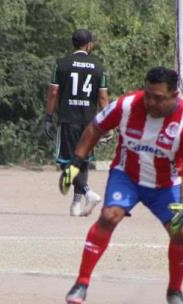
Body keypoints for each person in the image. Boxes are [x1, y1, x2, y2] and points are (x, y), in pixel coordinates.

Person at [64, 66, 183, 304]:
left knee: (181, 231)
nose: (150, 102)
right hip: (127, 175)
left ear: (175, 95)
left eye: (158, 98)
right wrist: (76, 163)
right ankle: (81, 283)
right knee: (108, 216)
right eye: (147, 94)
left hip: (166, 185)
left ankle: (175, 291)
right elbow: (95, 128)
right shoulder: (127, 105)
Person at [44, 29, 109, 216]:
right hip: (90, 122)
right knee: (83, 161)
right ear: (89, 44)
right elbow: (103, 98)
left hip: (68, 119)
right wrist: (107, 125)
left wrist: (48, 116)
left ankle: (87, 192)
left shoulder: (61, 64)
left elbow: (53, 93)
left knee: (66, 162)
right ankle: (76, 205)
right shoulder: (98, 66)